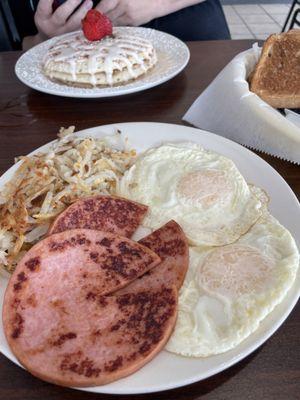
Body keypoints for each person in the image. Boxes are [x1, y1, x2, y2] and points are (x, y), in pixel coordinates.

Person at [6, 0, 230, 50]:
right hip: (72, 93)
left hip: (196, 47)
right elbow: (18, 49)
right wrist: (46, 40)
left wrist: (161, 3)